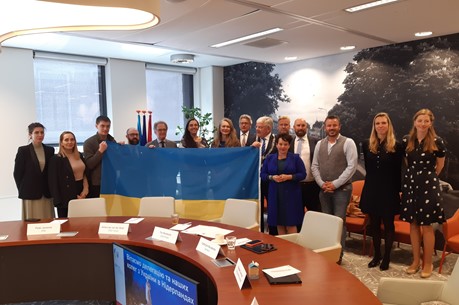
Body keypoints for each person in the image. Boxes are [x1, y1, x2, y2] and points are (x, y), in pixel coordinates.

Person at [400, 109, 446, 278]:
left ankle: (428, 263)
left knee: (427, 226)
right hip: (411, 184)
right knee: (413, 224)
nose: (423, 124)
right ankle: (415, 261)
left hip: (428, 185)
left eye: (426, 121)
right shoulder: (407, 140)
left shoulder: (437, 141)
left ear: (430, 123)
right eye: (420, 120)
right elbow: (406, 162)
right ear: (415, 122)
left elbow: (440, 166)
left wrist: (427, 178)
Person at [311, 115, 358, 264]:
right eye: (329, 126)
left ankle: (338, 256)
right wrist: (321, 183)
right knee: (327, 222)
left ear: (339, 127)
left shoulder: (348, 142)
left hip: (342, 191)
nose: (331, 128)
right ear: (325, 127)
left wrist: (335, 184)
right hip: (324, 189)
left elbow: (352, 167)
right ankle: (328, 253)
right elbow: (314, 166)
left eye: (334, 125)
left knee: (339, 223)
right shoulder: (320, 144)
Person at [359, 113, 403, 271]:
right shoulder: (366, 144)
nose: (380, 126)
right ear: (374, 126)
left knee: (389, 225)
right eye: (377, 123)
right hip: (371, 189)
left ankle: (386, 258)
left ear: (388, 125)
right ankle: (376, 255)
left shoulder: (397, 146)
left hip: (389, 191)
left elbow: (399, 171)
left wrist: (399, 190)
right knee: (374, 225)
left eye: (383, 123)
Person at [261, 133, 306, 234]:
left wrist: (289, 177)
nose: (282, 147)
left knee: (291, 223)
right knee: (279, 222)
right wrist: (272, 177)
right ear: (276, 144)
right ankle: (284, 248)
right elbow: (263, 174)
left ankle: (294, 249)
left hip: (291, 195)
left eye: (285, 144)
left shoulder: (295, 158)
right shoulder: (270, 158)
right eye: (280, 144)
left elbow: (303, 174)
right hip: (275, 195)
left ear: (289, 145)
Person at [13, 122, 55, 220]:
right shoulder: (23, 151)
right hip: (30, 194)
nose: (40, 135)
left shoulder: (50, 150)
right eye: (36, 133)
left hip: (46, 193)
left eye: (42, 132)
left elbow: (51, 172)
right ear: (30, 135)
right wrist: (24, 189)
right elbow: (17, 174)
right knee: (32, 224)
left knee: (48, 222)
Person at [48, 131, 89, 218]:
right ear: (61, 143)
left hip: (82, 192)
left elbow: (84, 174)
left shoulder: (80, 156)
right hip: (65, 196)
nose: (70, 142)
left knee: (83, 223)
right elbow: (53, 182)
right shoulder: (56, 159)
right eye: (66, 140)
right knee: (67, 226)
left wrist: (85, 191)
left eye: (72, 139)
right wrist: (57, 201)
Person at [252, 116, 277, 234]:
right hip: (256, 181)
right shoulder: (253, 139)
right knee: (257, 207)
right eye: (256, 126)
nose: (257, 129)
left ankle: (272, 233)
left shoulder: (277, 141)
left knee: (272, 207)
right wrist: (252, 147)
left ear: (268, 128)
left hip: (271, 180)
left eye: (260, 127)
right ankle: (259, 231)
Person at [290, 118, 321, 213]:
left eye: (303, 125)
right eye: (298, 125)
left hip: (312, 186)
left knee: (315, 215)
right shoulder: (288, 142)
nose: (300, 128)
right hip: (294, 186)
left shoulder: (316, 142)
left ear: (306, 127)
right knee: (296, 215)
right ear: (294, 127)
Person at [83, 115, 116, 198]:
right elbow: (89, 164)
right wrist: (100, 151)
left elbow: (117, 161)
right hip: (96, 183)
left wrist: (121, 148)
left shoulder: (112, 141)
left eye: (108, 126)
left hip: (111, 181)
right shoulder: (89, 142)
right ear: (96, 126)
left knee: (110, 209)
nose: (105, 129)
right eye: (102, 126)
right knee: (97, 209)